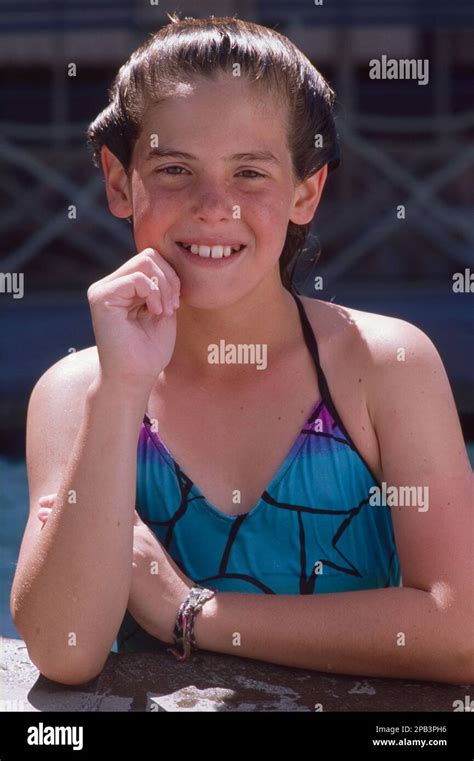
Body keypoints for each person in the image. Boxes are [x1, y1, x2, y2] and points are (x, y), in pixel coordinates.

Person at [11, 15, 472, 685]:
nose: (213, 205)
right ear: (119, 181)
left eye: (250, 172)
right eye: (174, 169)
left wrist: (188, 610)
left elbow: (459, 628)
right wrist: (120, 390)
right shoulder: (76, 392)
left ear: (305, 191)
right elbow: (63, 648)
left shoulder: (382, 366)